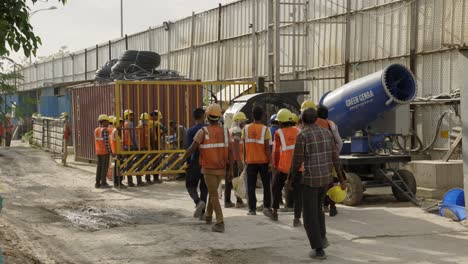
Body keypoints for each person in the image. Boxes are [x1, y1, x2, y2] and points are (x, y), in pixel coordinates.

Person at [290, 108, 346, 260]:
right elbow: (335, 158)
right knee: (319, 211)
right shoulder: (327, 133)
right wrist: (342, 179)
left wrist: (289, 180)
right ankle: (322, 237)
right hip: (325, 180)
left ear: (302, 119)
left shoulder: (302, 135)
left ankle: (318, 249)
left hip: (310, 181)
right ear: (315, 119)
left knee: (309, 216)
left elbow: (297, 161)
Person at [179, 103, 233, 233]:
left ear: (207, 117)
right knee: (211, 191)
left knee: (213, 195)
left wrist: (182, 159)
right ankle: (208, 216)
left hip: (208, 168)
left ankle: (220, 222)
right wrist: (230, 169)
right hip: (221, 168)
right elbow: (230, 152)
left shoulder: (202, 132)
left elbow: (191, 148)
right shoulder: (225, 131)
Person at [271, 109, 303, 226]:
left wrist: (275, 165)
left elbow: (276, 152)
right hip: (298, 167)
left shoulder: (278, 133)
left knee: (276, 188)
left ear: (280, 122)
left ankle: (274, 212)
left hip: (283, 167)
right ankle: (296, 219)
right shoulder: (299, 131)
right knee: (298, 193)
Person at [243, 106, 273, 217]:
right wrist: (270, 162)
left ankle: (252, 209)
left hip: (250, 161)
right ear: (262, 116)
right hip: (263, 162)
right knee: (266, 185)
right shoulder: (265, 129)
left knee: (250, 186)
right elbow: (267, 148)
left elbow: (244, 146)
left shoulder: (245, 129)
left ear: (252, 115)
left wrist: (244, 160)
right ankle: (266, 207)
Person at [316, 105, 344, 217]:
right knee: (330, 182)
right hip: (329, 157)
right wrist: (335, 154)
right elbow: (339, 142)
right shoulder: (330, 124)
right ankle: (331, 206)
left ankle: (320, 207)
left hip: (316, 157)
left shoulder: (311, 124)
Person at [184, 108, 208, 220]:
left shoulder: (191, 131)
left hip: (195, 162)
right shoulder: (208, 129)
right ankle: (203, 213)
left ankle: (198, 202)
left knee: (190, 185)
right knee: (204, 187)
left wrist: (187, 163)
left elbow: (189, 149)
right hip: (208, 162)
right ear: (203, 116)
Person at [225, 112, 248, 208]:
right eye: (244, 122)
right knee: (237, 180)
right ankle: (238, 201)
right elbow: (237, 147)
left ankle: (228, 201)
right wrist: (239, 161)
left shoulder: (230, 130)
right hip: (235, 160)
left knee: (230, 180)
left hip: (230, 159)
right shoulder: (237, 131)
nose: (245, 124)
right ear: (240, 121)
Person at [123, 109, 143, 187]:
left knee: (129, 164)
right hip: (131, 146)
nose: (132, 116)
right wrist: (137, 145)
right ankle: (139, 181)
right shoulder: (130, 123)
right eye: (130, 115)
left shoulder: (124, 124)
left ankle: (130, 181)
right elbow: (133, 135)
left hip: (126, 146)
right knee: (137, 163)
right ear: (126, 116)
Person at [148, 110, 167, 184]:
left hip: (147, 144)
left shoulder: (146, 122)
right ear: (153, 116)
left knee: (148, 162)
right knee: (156, 161)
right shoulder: (156, 123)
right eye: (157, 117)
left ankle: (148, 179)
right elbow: (165, 129)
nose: (158, 118)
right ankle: (155, 178)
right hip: (155, 144)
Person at [95, 114, 113, 189]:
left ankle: (97, 183)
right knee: (104, 168)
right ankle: (103, 183)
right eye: (107, 121)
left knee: (99, 167)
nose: (108, 123)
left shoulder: (96, 129)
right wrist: (110, 151)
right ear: (103, 122)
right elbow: (106, 142)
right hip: (104, 151)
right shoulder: (105, 130)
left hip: (98, 151)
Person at [110, 117, 126, 188]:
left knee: (119, 167)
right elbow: (116, 143)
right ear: (115, 123)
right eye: (119, 122)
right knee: (118, 167)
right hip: (117, 152)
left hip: (119, 152)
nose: (121, 124)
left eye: (121, 122)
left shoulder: (119, 131)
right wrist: (118, 152)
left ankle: (118, 182)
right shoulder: (116, 131)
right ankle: (117, 182)